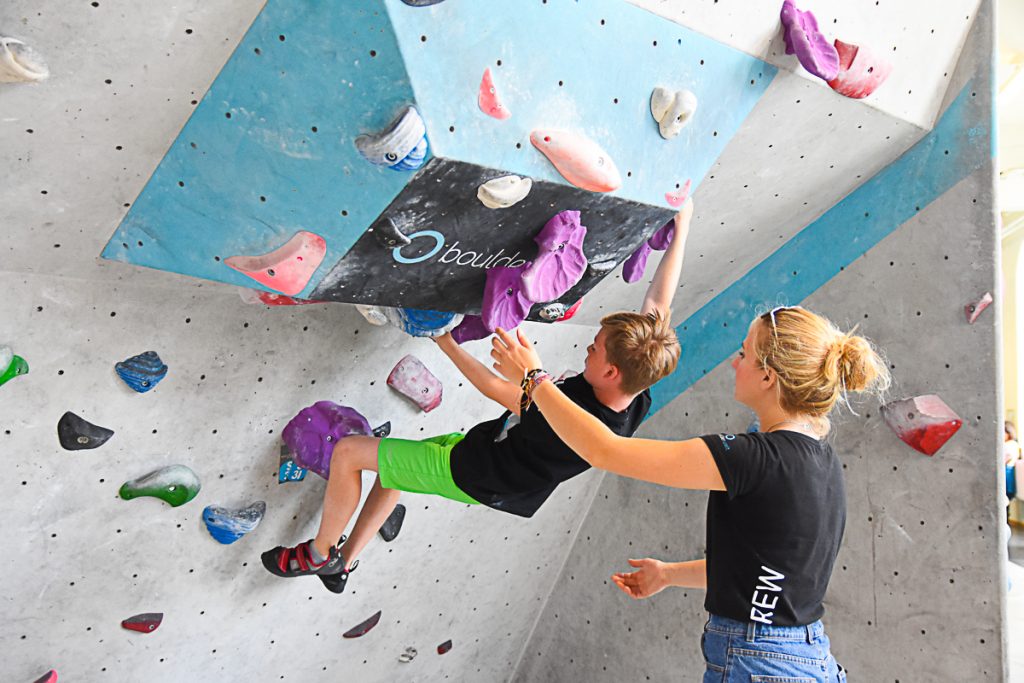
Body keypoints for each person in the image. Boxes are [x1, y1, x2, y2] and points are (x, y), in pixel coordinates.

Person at [260, 199, 695, 593]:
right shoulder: (638, 377)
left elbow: (493, 387)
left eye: (595, 348)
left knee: (350, 453)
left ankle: (320, 554)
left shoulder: (575, 421)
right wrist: (684, 225)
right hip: (491, 457)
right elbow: (658, 306)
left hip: (475, 472)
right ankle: (344, 565)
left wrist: (443, 336)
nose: (589, 346)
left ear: (611, 371)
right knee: (394, 473)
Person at [490, 305, 890, 682]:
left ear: (769, 378)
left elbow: (605, 450)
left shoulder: (758, 459)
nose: (734, 363)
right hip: (802, 659)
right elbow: (769, 580)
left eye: (744, 354)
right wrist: (669, 574)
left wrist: (534, 379)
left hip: (766, 664)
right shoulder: (820, 461)